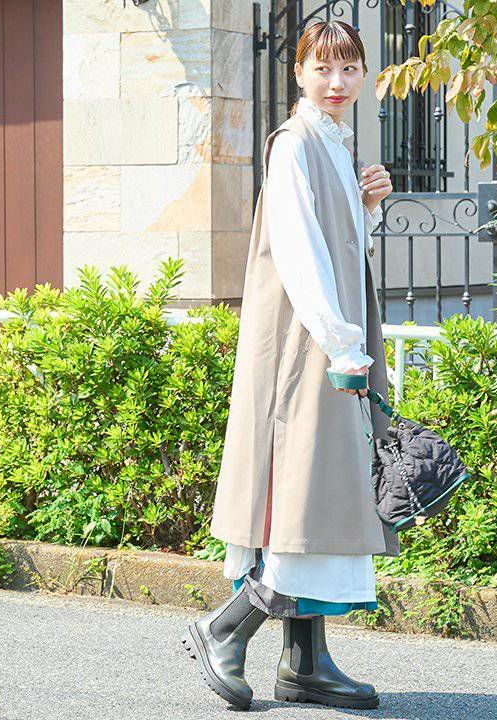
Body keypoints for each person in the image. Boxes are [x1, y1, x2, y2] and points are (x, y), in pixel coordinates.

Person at [180, 20, 397, 711]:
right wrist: (344, 345)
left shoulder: (332, 143)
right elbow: (300, 255)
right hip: (305, 353)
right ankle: (224, 628)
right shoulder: (294, 143)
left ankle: (306, 664)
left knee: (322, 495)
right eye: (323, 68)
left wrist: (365, 208)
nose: (337, 82)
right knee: (303, 498)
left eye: (350, 69)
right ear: (298, 72)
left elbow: (335, 246)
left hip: (324, 346)